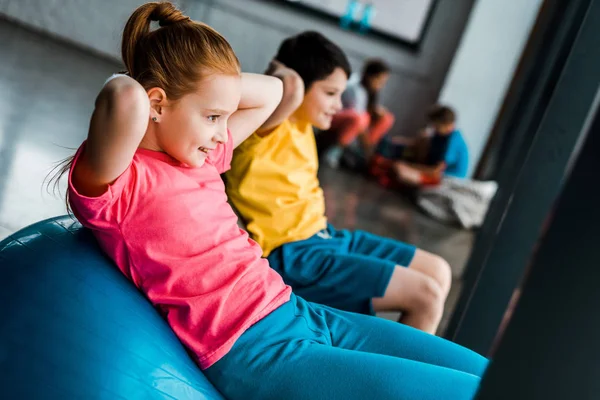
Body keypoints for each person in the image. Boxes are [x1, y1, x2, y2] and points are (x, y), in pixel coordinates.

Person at [54, 4, 486, 399]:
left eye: (225, 117)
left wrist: (211, 89)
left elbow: (276, 93)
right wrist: (183, 71)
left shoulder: (201, 159)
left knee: (488, 376)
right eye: (212, 117)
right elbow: (122, 96)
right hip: (256, 351)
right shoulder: (117, 186)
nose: (225, 134)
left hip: (300, 313)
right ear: (158, 104)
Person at [226, 31, 452, 335]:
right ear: (300, 85)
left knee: (438, 270)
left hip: (326, 237)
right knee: (425, 296)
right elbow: (291, 86)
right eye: (330, 93)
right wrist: (281, 67)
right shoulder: (267, 125)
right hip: (296, 255)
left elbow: (299, 90)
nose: (338, 104)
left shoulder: (305, 124)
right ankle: (402, 380)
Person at [322, 58, 395, 168]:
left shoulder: (369, 91)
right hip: (336, 117)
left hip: (355, 122)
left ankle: (361, 152)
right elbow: (360, 119)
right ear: (370, 76)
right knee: (359, 119)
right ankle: (336, 151)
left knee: (386, 118)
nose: (381, 86)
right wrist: (368, 147)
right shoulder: (355, 89)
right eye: (379, 81)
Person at [393, 105, 469, 186]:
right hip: (430, 166)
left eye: (436, 126)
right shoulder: (440, 134)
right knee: (423, 137)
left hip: (445, 179)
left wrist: (408, 166)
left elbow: (435, 171)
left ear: (447, 125)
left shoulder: (452, 141)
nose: (434, 128)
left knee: (401, 171)